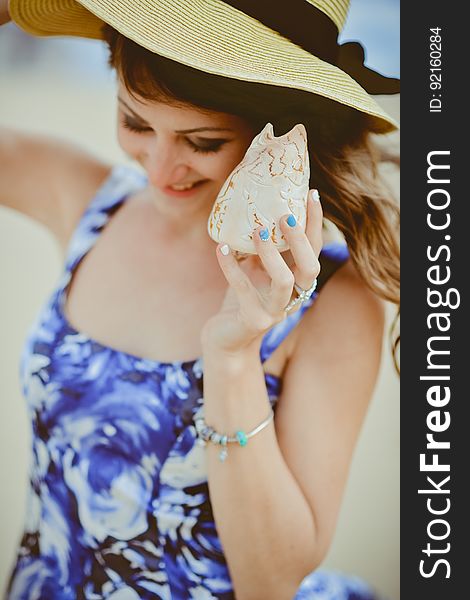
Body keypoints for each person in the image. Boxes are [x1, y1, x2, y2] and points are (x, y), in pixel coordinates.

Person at [1, 1, 400, 598]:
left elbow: (269, 581)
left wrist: (234, 356)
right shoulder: (91, 204)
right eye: (136, 123)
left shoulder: (334, 302)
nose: (161, 169)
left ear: (283, 137)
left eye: (203, 141)